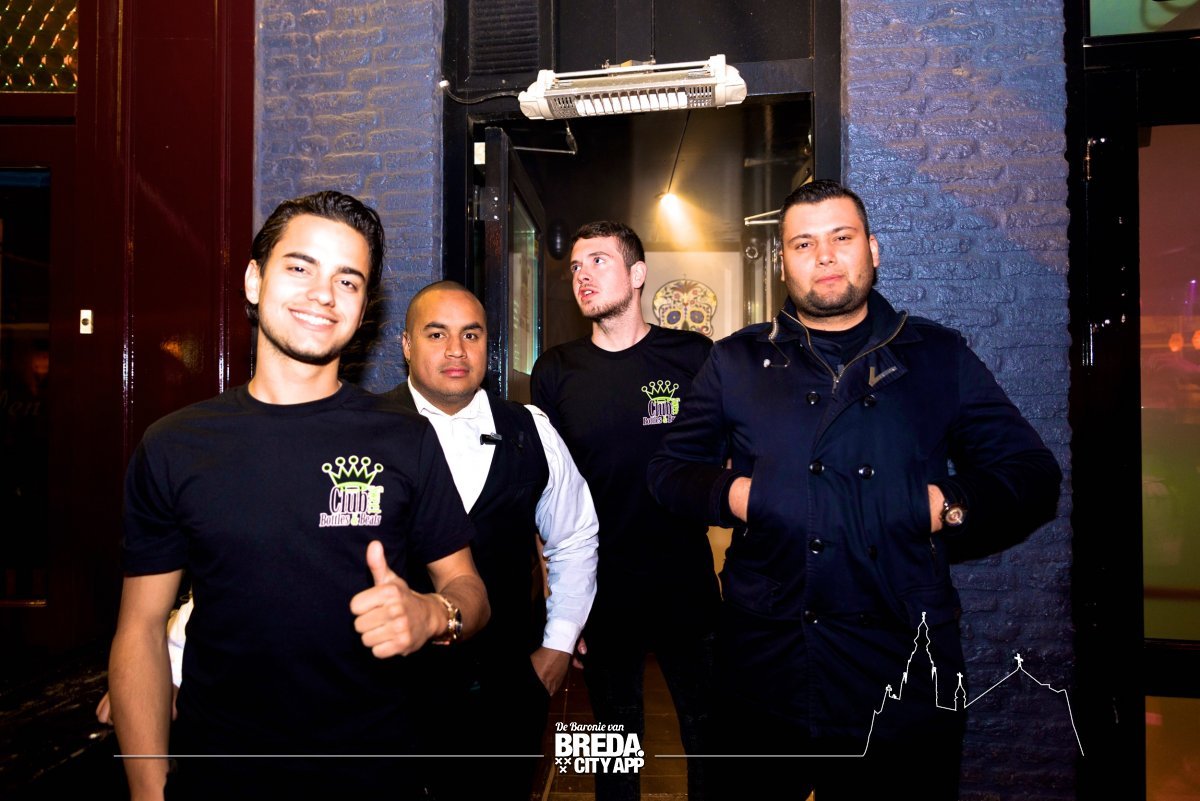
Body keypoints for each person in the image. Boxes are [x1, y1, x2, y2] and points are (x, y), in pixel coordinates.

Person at [647, 180, 1063, 800]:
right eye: (803, 244)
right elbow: (670, 471)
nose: (824, 256)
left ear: (873, 249)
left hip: (902, 662)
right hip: (765, 662)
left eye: (841, 238)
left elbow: (1032, 473)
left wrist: (938, 506)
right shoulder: (736, 360)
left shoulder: (936, 354)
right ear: (783, 263)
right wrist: (747, 498)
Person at [107, 191, 488, 801]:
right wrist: (149, 791)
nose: (323, 294)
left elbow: (468, 588)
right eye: (300, 267)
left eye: (347, 280)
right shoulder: (175, 445)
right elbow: (142, 629)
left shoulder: (406, 438)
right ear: (254, 280)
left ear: (363, 310)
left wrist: (434, 615)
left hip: (374, 780)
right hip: (219, 780)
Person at [384, 281, 599, 800]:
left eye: (471, 334)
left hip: (508, 689)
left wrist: (557, 646)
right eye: (437, 334)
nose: (456, 350)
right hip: (392, 694)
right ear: (407, 345)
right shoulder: (364, 430)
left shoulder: (530, 429)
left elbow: (575, 536)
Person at [531, 222, 721, 801]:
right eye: (575, 267)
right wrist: (562, 606)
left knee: (711, 737)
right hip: (601, 587)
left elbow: (729, 458)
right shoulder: (555, 369)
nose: (582, 275)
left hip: (685, 578)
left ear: (638, 274)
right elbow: (547, 492)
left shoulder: (693, 355)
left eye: (598, 261)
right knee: (611, 749)